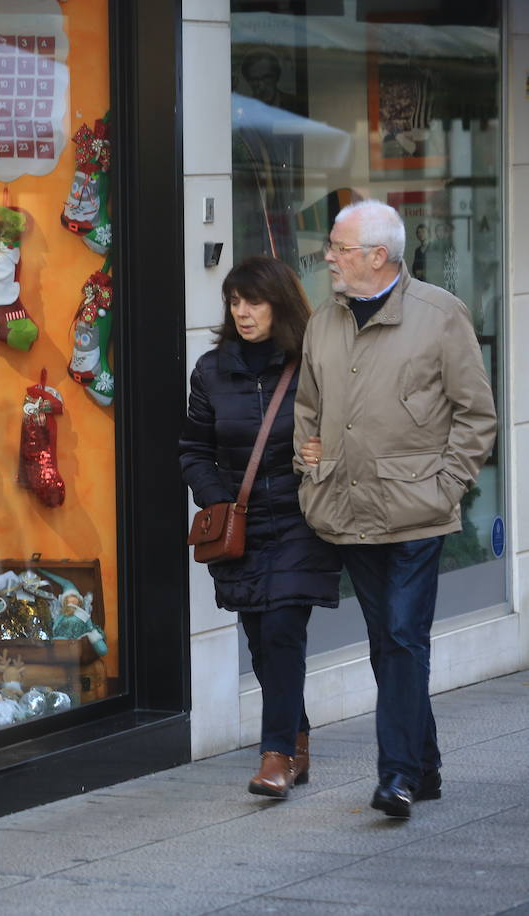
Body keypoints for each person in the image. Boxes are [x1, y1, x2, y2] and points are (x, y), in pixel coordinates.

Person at [295, 200, 496, 819]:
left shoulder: (440, 316)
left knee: (405, 638)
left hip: (416, 514)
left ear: (377, 257)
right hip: (346, 509)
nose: (328, 256)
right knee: (389, 642)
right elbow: (308, 405)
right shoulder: (323, 320)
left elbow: (476, 415)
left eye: (339, 247)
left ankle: (397, 776)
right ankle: (426, 766)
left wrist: (447, 485)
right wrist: (310, 463)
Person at [180, 256, 341, 799]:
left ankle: (275, 756)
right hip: (241, 526)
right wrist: (220, 502)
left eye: (255, 302)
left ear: (280, 304)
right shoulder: (210, 371)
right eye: (235, 302)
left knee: (280, 630)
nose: (243, 313)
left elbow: (347, 428)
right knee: (260, 637)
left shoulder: (312, 362)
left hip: (301, 518)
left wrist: (324, 454)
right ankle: (297, 738)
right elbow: (194, 450)